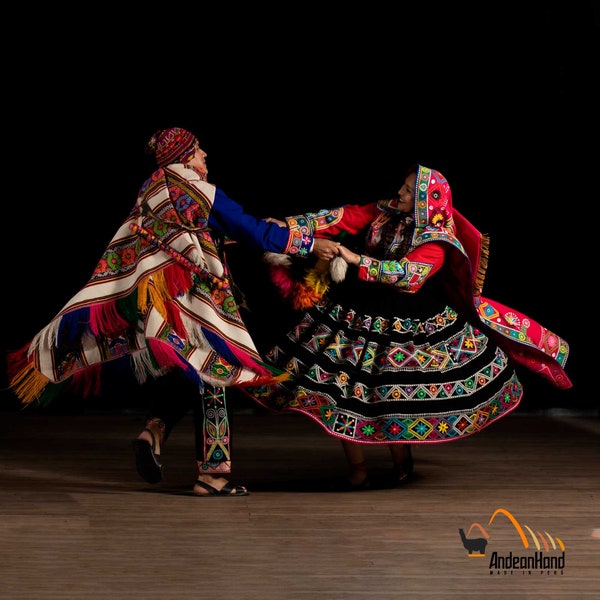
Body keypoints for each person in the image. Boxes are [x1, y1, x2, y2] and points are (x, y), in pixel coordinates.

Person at [6, 126, 341, 497]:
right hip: (193, 301)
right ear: (184, 157)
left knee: (191, 370)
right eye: (199, 151)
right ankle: (212, 475)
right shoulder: (200, 190)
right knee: (216, 373)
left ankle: (154, 431)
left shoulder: (152, 189)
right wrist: (311, 243)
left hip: (158, 302)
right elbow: (254, 232)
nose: (205, 157)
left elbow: (180, 235)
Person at [242, 164, 572, 490]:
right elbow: (341, 217)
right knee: (336, 391)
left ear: (424, 201)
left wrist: (356, 260)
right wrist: (285, 228)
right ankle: (358, 470)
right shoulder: (384, 210)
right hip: (359, 308)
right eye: (401, 186)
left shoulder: (437, 239)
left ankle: (401, 459)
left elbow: (407, 275)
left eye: (407, 190)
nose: (398, 192)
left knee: (386, 396)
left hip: (406, 318)